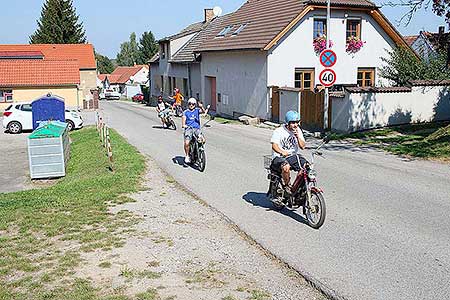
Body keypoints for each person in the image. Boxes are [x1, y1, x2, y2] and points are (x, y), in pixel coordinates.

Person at [270, 110, 307, 193]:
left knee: (306, 167)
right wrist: (282, 152)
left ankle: (296, 187)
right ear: (288, 122)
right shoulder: (279, 131)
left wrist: (297, 137)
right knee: (286, 167)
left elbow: (303, 146)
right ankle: (287, 186)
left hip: (292, 157)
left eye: (297, 122)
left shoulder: (298, 130)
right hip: (279, 157)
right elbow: (274, 145)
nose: (296, 125)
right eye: (293, 123)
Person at [181, 97, 209, 164]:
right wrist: (184, 125)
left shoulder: (196, 110)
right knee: (187, 143)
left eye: (193, 104)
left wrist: (201, 107)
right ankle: (187, 156)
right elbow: (183, 120)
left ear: (195, 105)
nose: (191, 105)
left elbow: (203, 112)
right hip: (189, 129)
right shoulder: (185, 112)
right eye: (190, 104)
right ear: (188, 104)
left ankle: (198, 150)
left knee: (203, 140)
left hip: (196, 129)